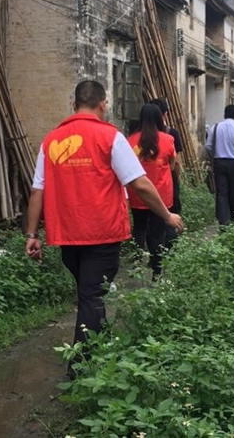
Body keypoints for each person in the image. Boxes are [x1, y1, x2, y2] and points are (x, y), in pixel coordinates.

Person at [24, 81, 184, 371]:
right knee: (92, 297)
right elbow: (140, 184)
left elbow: (38, 190)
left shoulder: (51, 141)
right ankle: (80, 368)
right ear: (103, 104)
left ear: (74, 106)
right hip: (102, 232)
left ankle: (101, 347)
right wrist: (166, 215)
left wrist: (32, 234)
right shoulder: (110, 137)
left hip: (67, 236)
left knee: (89, 293)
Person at [127, 104, 177, 279]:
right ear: (159, 118)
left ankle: (136, 263)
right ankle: (156, 271)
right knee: (157, 232)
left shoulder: (131, 141)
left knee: (139, 227)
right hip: (160, 194)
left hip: (138, 192)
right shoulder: (168, 140)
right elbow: (173, 164)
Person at [205, 104, 234, 225]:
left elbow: (208, 146)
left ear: (224, 115)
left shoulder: (215, 128)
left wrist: (216, 154)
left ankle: (223, 220)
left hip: (219, 163)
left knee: (221, 192)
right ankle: (233, 217)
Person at [149, 99, 183, 240]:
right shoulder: (171, 134)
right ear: (165, 114)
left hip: (146, 184)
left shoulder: (138, 136)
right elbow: (177, 162)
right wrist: (176, 177)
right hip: (167, 183)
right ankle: (168, 244)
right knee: (171, 212)